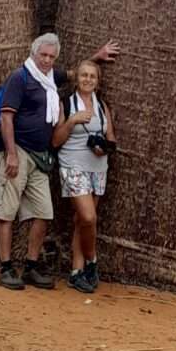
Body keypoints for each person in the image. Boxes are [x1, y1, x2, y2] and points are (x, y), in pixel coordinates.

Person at [0, 33, 117, 290]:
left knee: (43, 213)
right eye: (43, 55)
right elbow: (6, 117)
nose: (47, 60)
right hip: (17, 152)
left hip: (40, 156)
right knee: (6, 210)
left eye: (51, 56)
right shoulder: (20, 78)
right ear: (33, 53)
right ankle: (5, 268)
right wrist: (11, 153)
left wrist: (98, 56)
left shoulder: (50, 78)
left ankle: (30, 266)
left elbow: (79, 74)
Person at [53, 59, 114, 294]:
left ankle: (77, 272)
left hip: (97, 167)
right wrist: (72, 121)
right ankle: (92, 261)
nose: (88, 79)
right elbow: (56, 140)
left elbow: (111, 138)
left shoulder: (102, 106)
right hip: (72, 165)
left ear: (98, 82)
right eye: (84, 75)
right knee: (89, 217)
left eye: (92, 76)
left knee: (81, 221)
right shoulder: (66, 104)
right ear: (77, 79)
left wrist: (103, 147)